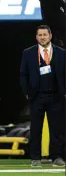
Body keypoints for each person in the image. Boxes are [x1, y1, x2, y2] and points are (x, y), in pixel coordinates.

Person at [20, 25, 65, 167]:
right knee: (35, 128)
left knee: (57, 128)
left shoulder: (61, 53)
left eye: (45, 34)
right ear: (36, 37)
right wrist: (27, 92)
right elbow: (23, 74)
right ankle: (35, 158)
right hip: (36, 96)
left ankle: (57, 157)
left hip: (56, 95)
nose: (42, 37)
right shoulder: (28, 53)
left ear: (50, 36)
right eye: (40, 35)